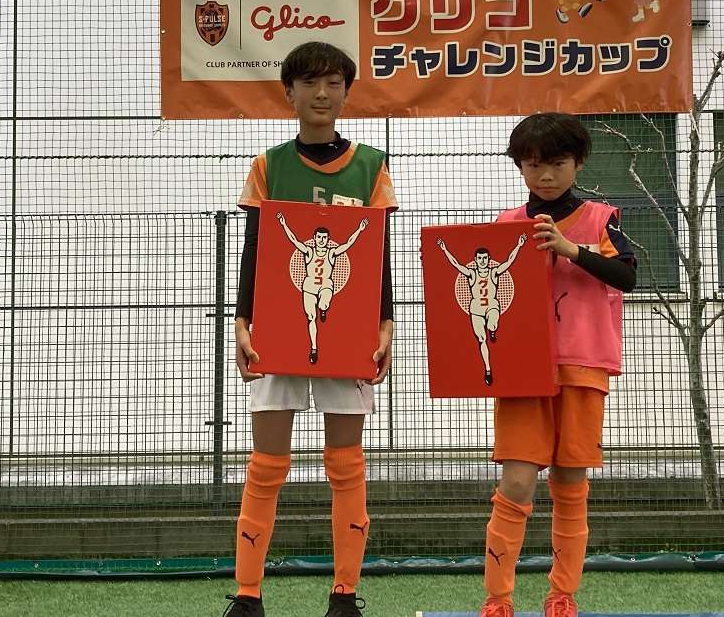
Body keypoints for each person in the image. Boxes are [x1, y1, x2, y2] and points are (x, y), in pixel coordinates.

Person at [224, 42, 397, 617]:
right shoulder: (268, 165)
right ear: (289, 93)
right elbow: (254, 250)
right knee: (266, 465)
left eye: (333, 83)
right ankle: (248, 597)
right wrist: (242, 321)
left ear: (347, 92)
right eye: (309, 83)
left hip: (349, 333)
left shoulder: (371, 165)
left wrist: (386, 323)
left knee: (346, 465)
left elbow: (379, 254)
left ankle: (344, 597)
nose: (322, 94)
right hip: (277, 331)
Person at [479, 113, 637, 617]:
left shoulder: (601, 218)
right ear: (520, 167)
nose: (545, 175)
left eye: (557, 164)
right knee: (516, 483)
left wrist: (571, 251)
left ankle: (562, 595)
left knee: (570, 483)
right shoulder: (505, 224)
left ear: (578, 163)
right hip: (522, 372)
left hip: (583, 367)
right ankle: (498, 599)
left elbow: (627, 275)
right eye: (533, 165)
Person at [276, 213, 369, 364]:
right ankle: (314, 348)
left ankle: (323, 308)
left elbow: (348, 244)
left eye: (324, 237)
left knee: (323, 303)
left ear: (328, 239)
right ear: (314, 238)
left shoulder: (331, 253)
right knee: (311, 317)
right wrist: (284, 224)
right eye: (319, 237)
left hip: (325, 285)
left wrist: (359, 229)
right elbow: (294, 240)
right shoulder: (309, 251)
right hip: (309, 287)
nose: (321, 240)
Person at [435, 234, 527, 385]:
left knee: (492, 324)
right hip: (476, 311)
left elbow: (509, 261)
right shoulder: (471, 274)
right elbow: (456, 264)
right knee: (482, 339)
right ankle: (488, 370)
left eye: (485, 258)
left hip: (492, 307)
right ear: (476, 260)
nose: (482, 261)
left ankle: (492, 329)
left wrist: (519, 245)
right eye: (479, 258)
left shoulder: (494, 272)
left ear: (489, 259)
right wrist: (444, 249)